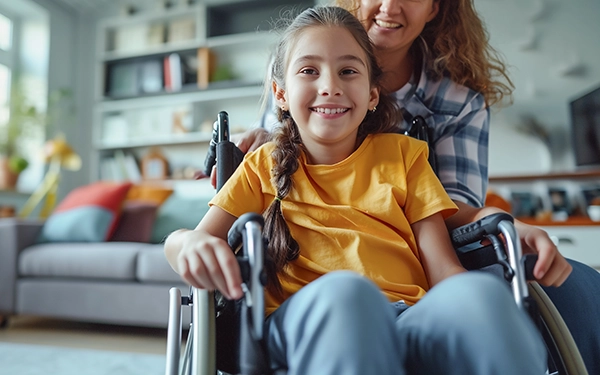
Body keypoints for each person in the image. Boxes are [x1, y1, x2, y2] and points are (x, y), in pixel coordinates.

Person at [167, 6, 546, 374]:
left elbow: (445, 269)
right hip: (307, 318)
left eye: (348, 71)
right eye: (309, 71)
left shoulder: (406, 157)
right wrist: (188, 244)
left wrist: (478, 296)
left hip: (409, 316)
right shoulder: (261, 166)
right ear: (280, 94)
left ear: (372, 94)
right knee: (349, 295)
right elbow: (183, 243)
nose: (330, 86)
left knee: (481, 296)